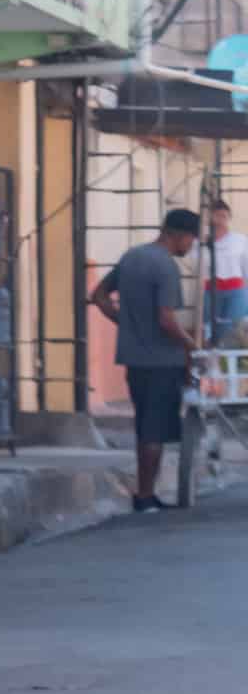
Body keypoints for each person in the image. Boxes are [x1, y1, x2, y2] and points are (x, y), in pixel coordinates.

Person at [91, 208, 200, 514]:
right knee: (154, 430)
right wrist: (191, 345)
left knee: (145, 426)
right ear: (178, 234)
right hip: (162, 361)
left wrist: (125, 323)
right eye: (191, 238)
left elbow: (98, 296)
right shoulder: (165, 266)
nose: (191, 245)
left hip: (134, 360)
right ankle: (145, 497)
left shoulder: (132, 256)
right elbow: (166, 320)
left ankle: (146, 493)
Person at [207, 199, 248, 347]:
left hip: (236, 290)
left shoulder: (240, 240)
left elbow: (246, 267)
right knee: (210, 328)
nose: (220, 220)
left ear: (229, 218)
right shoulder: (200, 241)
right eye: (216, 215)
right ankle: (212, 362)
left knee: (233, 329)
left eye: (223, 216)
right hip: (210, 290)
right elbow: (194, 265)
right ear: (209, 217)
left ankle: (229, 361)